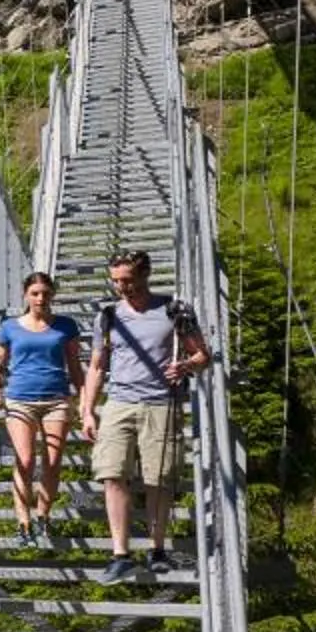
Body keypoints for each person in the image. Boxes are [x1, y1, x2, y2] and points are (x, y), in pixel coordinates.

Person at [78, 248, 212, 582]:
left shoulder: (174, 310)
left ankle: (157, 550)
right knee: (112, 474)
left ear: (145, 275)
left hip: (161, 403)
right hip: (119, 403)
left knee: (159, 478)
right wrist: (88, 411)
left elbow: (203, 355)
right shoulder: (107, 316)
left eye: (129, 280)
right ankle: (120, 554)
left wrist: (185, 365)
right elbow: (96, 367)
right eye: (117, 282)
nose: (123, 287)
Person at [0, 271, 83, 547]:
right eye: (35, 293)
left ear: (53, 295)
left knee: (52, 462)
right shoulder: (9, 326)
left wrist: (84, 399)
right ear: (26, 295)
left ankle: (43, 515)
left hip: (56, 399)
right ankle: (23, 521)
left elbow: (75, 365)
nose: (41, 298)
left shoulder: (66, 326)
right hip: (20, 399)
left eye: (46, 293)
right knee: (26, 461)